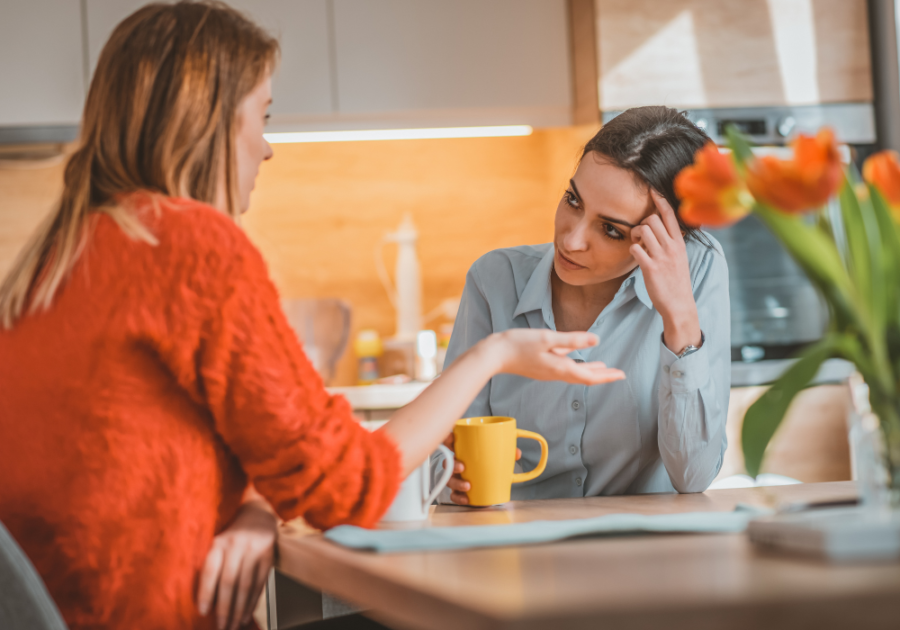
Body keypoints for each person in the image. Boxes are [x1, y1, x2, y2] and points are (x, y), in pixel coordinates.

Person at [0, 3, 625, 630]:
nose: (267, 149)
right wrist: (492, 354)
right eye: (262, 117)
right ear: (208, 125)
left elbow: (172, 450)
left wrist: (251, 507)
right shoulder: (189, 249)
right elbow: (347, 488)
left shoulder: (55, 259)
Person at [435, 106, 730, 505]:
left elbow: (692, 476)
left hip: (643, 550)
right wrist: (446, 474)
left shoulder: (699, 270)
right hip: (516, 545)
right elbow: (445, 453)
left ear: (663, 238)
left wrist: (678, 314)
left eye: (611, 230)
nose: (571, 240)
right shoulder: (495, 281)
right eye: (573, 200)